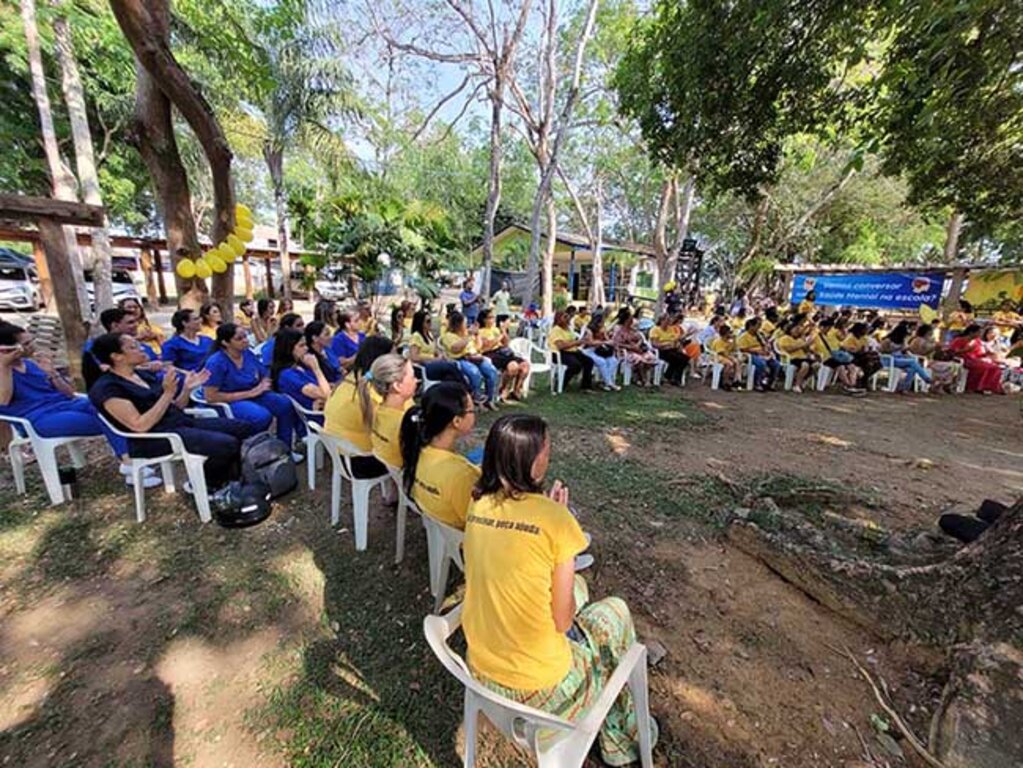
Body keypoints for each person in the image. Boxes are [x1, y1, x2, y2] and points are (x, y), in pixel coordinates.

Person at [462, 414, 654, 767]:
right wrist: (557, 519)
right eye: (547, 449)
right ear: (533, 460)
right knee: (615, 613)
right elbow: (563, 621)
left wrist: (551, 515)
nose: (550, 456)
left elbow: (521, 539)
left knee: (578, 589)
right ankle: (619, 744)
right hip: (543, 690)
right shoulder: (554, 520)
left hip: (481, 672)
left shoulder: (478, 503)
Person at [89, 332, 258, 491]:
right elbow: (139, 425)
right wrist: (168, 393)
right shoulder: (108, 388)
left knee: (244, 429)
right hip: (153, 439)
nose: (141, 347)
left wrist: (186, 389)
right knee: (227, 444)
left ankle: (232, 479)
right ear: (116, 357)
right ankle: (204, 486)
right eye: (133, 347)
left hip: (180, 423)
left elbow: (175, 407)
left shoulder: (142, 375)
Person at [0, 322, 159, 490]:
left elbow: (69, 393)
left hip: (66, 404)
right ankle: (129, 462)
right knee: (106, 417)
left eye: (31, 340)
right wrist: (4, 365)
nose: (32, 346)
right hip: (38, 418)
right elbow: (3, 401)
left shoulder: (32, 364)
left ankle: (135, 456)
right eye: (25, 344)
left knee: (111, 406)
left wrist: (52, 373)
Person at [204, 323, 300, 456]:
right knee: (260, 416)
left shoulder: (247, 354)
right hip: (230, 400)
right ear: (225, 342)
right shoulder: (216, 363)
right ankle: (254, 452)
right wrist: (251, 393)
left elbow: (263, 371)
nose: (245, 340)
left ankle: (285, 449)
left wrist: (265, 382)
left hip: (254, 393)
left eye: (245, 336)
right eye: (239, 338)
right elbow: (211, 397)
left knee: (284, 404)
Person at [399, 381, 479, 529]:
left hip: (440, 519)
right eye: (472, 411)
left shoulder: (417, 451)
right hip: (463, 537)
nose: (474, 414)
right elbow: (476, 522)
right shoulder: (462, 475)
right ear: (456, 421)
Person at [323, 336, 395, 480]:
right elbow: (390, 428)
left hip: (339, 454)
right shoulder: (372, 391)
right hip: (359, 460)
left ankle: (391, 492)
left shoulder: (351, 378)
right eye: (394, 356)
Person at [83, 307, 160, 389]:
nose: (136, 325)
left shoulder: (143, 345)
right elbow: (104, 369)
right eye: (130, 322)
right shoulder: (96, 346)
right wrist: (144, 367)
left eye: (136, 321)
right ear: (115, 325)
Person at [364, 353, 416, 469]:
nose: (416, 381)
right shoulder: (404, 423)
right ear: (397, 386)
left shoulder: (376, 409)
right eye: (412, 377)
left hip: (390, 466)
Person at [441, 311, 500, 409]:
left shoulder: (466, 334)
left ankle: (489, 400)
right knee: (475, 373)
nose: (467, 325)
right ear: (458, 324)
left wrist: (477, 336)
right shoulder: (448, 336)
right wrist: (468, 336)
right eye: (465, 323)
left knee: (491, 372)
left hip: (475, 357)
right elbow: (455, 349)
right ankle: (476, 399)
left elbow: (478, 347)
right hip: (460, 359)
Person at [271, 328, 332, 413]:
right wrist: (316, 369)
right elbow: (326, 394)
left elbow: (324, 387)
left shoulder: (301, 366)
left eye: (306, 345)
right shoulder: (288, 375)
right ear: (289, 348)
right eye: (301, 345)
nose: (306, 348)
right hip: (317, 417)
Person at [477, 309, 530, 401]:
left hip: (504, 352)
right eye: (490, 317)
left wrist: (503, 331)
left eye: (493, 317)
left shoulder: (496, 329)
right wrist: (500, 336)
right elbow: (488, 346)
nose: (493, 319)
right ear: (483, 319)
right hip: (491, 354)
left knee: (525, 366)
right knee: (513, 367)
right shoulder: (480, 332)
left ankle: (516, 389)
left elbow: (506, 343)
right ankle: (504, 389)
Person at [406, 310, 464, 385]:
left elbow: (435, 349)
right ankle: (468, 390)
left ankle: (457, 392)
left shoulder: (429, 334)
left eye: (430, 320)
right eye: (428, 321)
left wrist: (440, 355)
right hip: (424, 366)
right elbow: (414, 357)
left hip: (434, 363)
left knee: (450, 376)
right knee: (451, 366)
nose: (430, 323)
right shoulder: (416, 336)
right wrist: (433, 359)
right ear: (421, 322)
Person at [949, 324, 1005, 394]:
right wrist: (965, 350)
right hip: (964, 359)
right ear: (971, 332)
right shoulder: (959, 340)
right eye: (978, 332)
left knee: (995, 367)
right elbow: (952, 352)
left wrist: (988, 354)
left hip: (976, 359)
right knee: (984, 367)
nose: (980, 334)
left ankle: (988, 387)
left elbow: (980, 353)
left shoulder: (977, 341)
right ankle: (975, 387)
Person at [549, 310, 595, 392]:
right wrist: (577, 342)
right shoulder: (556, 330)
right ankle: (560, 383)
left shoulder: (568, 329)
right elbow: (561, 346)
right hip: (559, 354)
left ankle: (586, 387)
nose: (568, 319)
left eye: (568, 317)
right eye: (565, 317)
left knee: (589, 361)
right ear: (558, 319)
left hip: (571, 351)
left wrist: (583, 340)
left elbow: (573, 341)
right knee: (576, 365)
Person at [880, 323, 933, 392]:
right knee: (912, 362)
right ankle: (926, 378)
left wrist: (905, 351)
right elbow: (882, 351)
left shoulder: (901, 342)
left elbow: (904, 351)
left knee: (911, 368)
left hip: (898, 359)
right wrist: (897, 349)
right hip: (889, 360)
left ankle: (904, 387)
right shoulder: (887, 341)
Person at [612, 309, 657, 387]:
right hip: (627, 351)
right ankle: (644, 379)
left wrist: (638, 344)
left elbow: (640, 338)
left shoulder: (633, 330)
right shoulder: (619, 331)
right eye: (630, 320)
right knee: (639, 359)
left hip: (638, 349)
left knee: (649, 357)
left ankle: (638, 378)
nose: (632, 321)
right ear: (626, 320)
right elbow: (617, 343)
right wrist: (630, 347)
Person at [908, 324, 958, 393]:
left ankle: (943, 384)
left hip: (925, 361)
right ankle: (941, 384)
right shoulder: (920, 341)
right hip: (923, 362)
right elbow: (922, 352)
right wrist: (935, 346)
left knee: (953, 365)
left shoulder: (919, 340)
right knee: (951, 366)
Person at [736, 317, 781, 391]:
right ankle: (757, 383)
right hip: (751, 354)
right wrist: (756, 350)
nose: (759, 328)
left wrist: (767, 350)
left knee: (776, 364)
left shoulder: (760, 335)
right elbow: (742, 349)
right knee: (761, 363)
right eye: (757, 325)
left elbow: (765, 345)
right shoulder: (744, 336)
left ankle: (770, 383)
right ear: (751, 326)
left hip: (762, 353)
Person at [776, 317, 818, 393]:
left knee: (816, 365)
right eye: (795, 329)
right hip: (792, 358)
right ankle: (797, 385)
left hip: (803, 357)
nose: (797, 331)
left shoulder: (800, 339)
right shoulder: (784, 338)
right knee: (805, 365)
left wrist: (808, 345)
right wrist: (802, 345)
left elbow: (806, 350)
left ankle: (803, 380)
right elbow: (789, 349)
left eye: (798, 330)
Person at [579, 312, 620, 391]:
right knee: (601, 362)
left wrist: (610, 341)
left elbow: (607, 339)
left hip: (600, 350)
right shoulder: (589, 330)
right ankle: (609, 383)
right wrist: (603, 342)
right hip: (587, 350)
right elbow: (590, 343)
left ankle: (604, 382)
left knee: (613, 361)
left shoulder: (603, 329)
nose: (603, 323)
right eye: (602, 322)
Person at [650, 314, 690, 386]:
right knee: (677, 359)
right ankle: (672, 377)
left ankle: (672, 377)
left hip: (672, 349)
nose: (668, 322)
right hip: (662, 350)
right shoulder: (655, 329)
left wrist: (678, 342)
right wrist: (666, 344)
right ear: (661, 321)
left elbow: (675, 339)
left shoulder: (670, 329)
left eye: (669, 320)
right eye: (667, 320)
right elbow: (654, 344)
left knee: (685, 358)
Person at [842, 322, 881, 387]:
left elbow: (866, 348)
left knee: (877, 364)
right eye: (864, 329)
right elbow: (851, 351)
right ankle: (862, 381)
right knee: (868, 362)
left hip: (861, 357)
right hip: (851, 358)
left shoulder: (863, 338)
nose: (866, 331)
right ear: (859, 330)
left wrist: (870, 352)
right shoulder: (850, 338)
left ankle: (863, 379)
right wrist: (863, 351)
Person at [710, 324, 739, 389]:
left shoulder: (728, 341)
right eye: (730, 332)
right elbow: (721, 352)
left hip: (725, 356)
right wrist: (730, 358)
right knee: (730, 364)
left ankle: (736, 380)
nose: (731, 334)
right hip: (717, 356)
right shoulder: (719, 341)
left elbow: (734, 349)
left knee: (736, 362)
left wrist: (734, 340)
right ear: (726, 333)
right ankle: (724, 381)